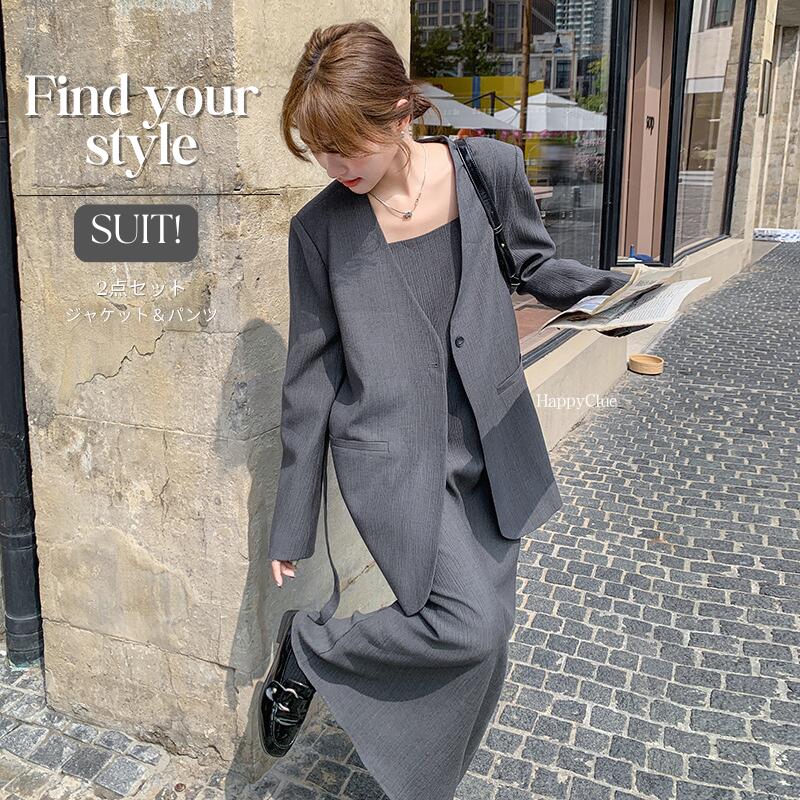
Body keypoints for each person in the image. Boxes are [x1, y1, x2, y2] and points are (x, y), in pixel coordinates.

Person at [258, 20, 646, 800]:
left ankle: (426, 784)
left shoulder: (488, 170)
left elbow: (534, 264)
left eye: (350, 145)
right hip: (391, 457)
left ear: (402, 111)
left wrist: (617, 295)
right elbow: (309, 376)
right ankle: (310, 648)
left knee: (486, 646)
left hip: (491, 442)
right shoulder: (319, 230)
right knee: (474, 625)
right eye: (320, 150)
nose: (337, 166)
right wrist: (291, 519)